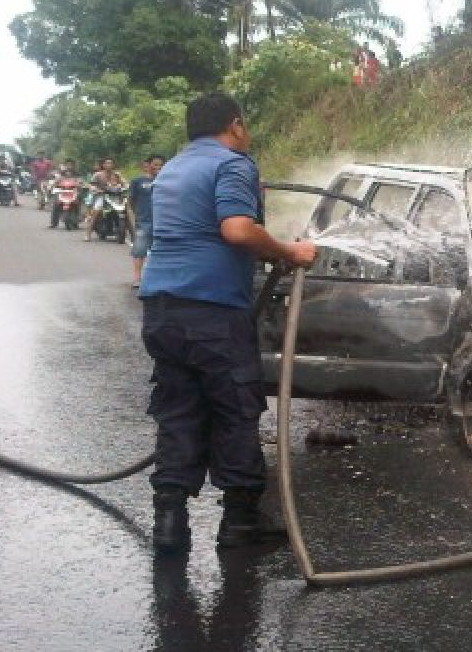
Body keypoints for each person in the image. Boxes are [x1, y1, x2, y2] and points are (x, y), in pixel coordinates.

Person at [139, 92, 316, 553]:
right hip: (212, 309)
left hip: (161, 307)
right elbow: (237, 229)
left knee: (177, 409)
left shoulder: (171, 170)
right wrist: (288, 252)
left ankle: (169, 525)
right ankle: (239, 524)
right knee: (235, 409)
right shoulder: (233, 163)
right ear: (235, 125)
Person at [129, 155, 164, 289]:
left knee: (160, 250)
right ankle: (137, 278)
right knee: (140, 250)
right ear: (148, 165)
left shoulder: (167, 180)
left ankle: (157, 278)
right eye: (155, 165)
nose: (158, 168)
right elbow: (130, 202)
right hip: (143, 222)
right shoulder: (138, 181)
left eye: (161, 165)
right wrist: (133, 219)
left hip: (162, 221)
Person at [84, 156, 123, 242]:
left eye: (111, 163)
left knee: (124, 211)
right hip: (102, 196)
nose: (109, 165)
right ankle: (87, 234)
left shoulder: (117, 174)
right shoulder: (98, 174)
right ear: (103, 165)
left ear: (113, 165)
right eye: (107, 163)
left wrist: (126, 187)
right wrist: (95, 189)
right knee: (95, 212)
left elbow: (124, 183)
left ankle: (130, 233)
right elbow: (91, 185)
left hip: (115, 197)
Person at [49, 159, 80, 229]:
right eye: (68, 164)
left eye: (71, 164)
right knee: (55, 204)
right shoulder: (61, 173)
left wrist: (80, 184)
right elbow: (56, 181)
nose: (69, 166)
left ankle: (76, 222)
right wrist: (54, 184)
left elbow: (80, 181)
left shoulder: (77, 173)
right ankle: (54, 223)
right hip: (62, 191)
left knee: (78, 204)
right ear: (65, 166)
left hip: (73, 192)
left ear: (73, 166)